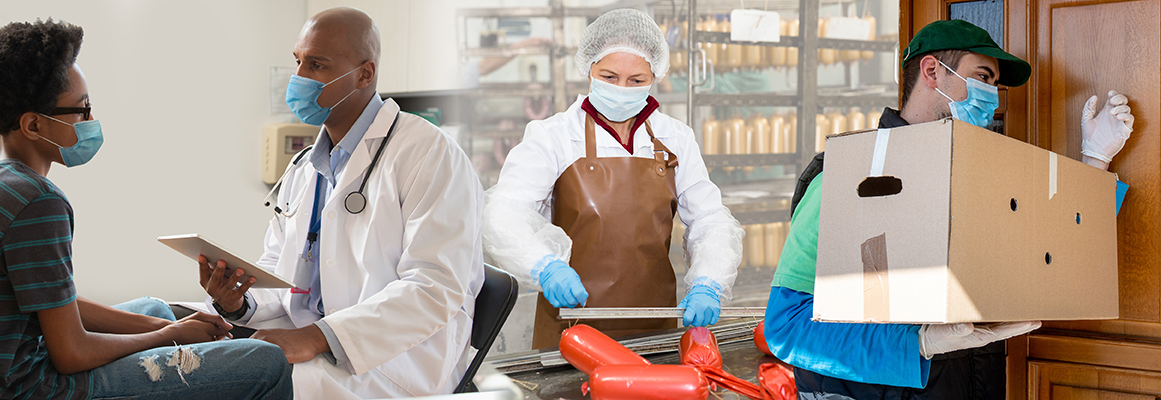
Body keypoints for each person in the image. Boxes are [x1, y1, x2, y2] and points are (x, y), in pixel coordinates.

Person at [764, 19, 1135, 398]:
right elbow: (787, 327)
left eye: (995, 85)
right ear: (932, 71)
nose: (993, 99)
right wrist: (919, 344)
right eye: (983, 77)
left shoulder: (987, 180)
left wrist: (1095, 158)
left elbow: (1056, 257)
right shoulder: (848, 178)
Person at [0, 19, 292, 399]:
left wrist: (160, 325)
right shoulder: (36, 202)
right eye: (82, 110)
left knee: (156, 308)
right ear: (34, 124)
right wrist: (166, 336)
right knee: (266, 362)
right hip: (30, 387)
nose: (91, 121)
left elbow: (48, 299)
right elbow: (71, 353)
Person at [197, 7, 484, 398]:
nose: (299, 77)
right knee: (194, 352)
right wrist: (239, 301)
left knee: (239, 384)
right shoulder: (305, 165)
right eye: (298, 62)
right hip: (312, 337)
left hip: (397, 361)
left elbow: (434, 288)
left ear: (364, 74)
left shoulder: (430, 155)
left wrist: (318, 336)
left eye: (317, 65)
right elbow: (279, 265)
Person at [482, 8, 745, 349]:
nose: (622, 89)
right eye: (609, 77)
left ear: (655, 76)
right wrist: (544, 266)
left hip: (654, 325)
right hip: (570, 327)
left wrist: (709, 280)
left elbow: (709, 219)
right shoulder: (554, 136)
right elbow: (504, 212)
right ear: (588, 68)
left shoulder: (675, 138)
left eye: (636, 81)